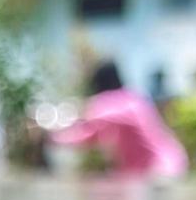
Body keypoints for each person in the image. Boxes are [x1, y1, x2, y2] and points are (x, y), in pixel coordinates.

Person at [53, 61, 188, 177]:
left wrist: (76, 110)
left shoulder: (128, 101)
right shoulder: (131, 101)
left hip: (161, 168)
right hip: (150, 170)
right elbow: (88, 136)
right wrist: (57, 138)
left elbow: (96, 113)